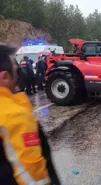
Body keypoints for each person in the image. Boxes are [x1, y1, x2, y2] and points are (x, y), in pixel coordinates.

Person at [0, 43, 60, 185]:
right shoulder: (14, 114)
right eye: (16, 71)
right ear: (4, 77)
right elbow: (33, 175)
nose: (19, 76)